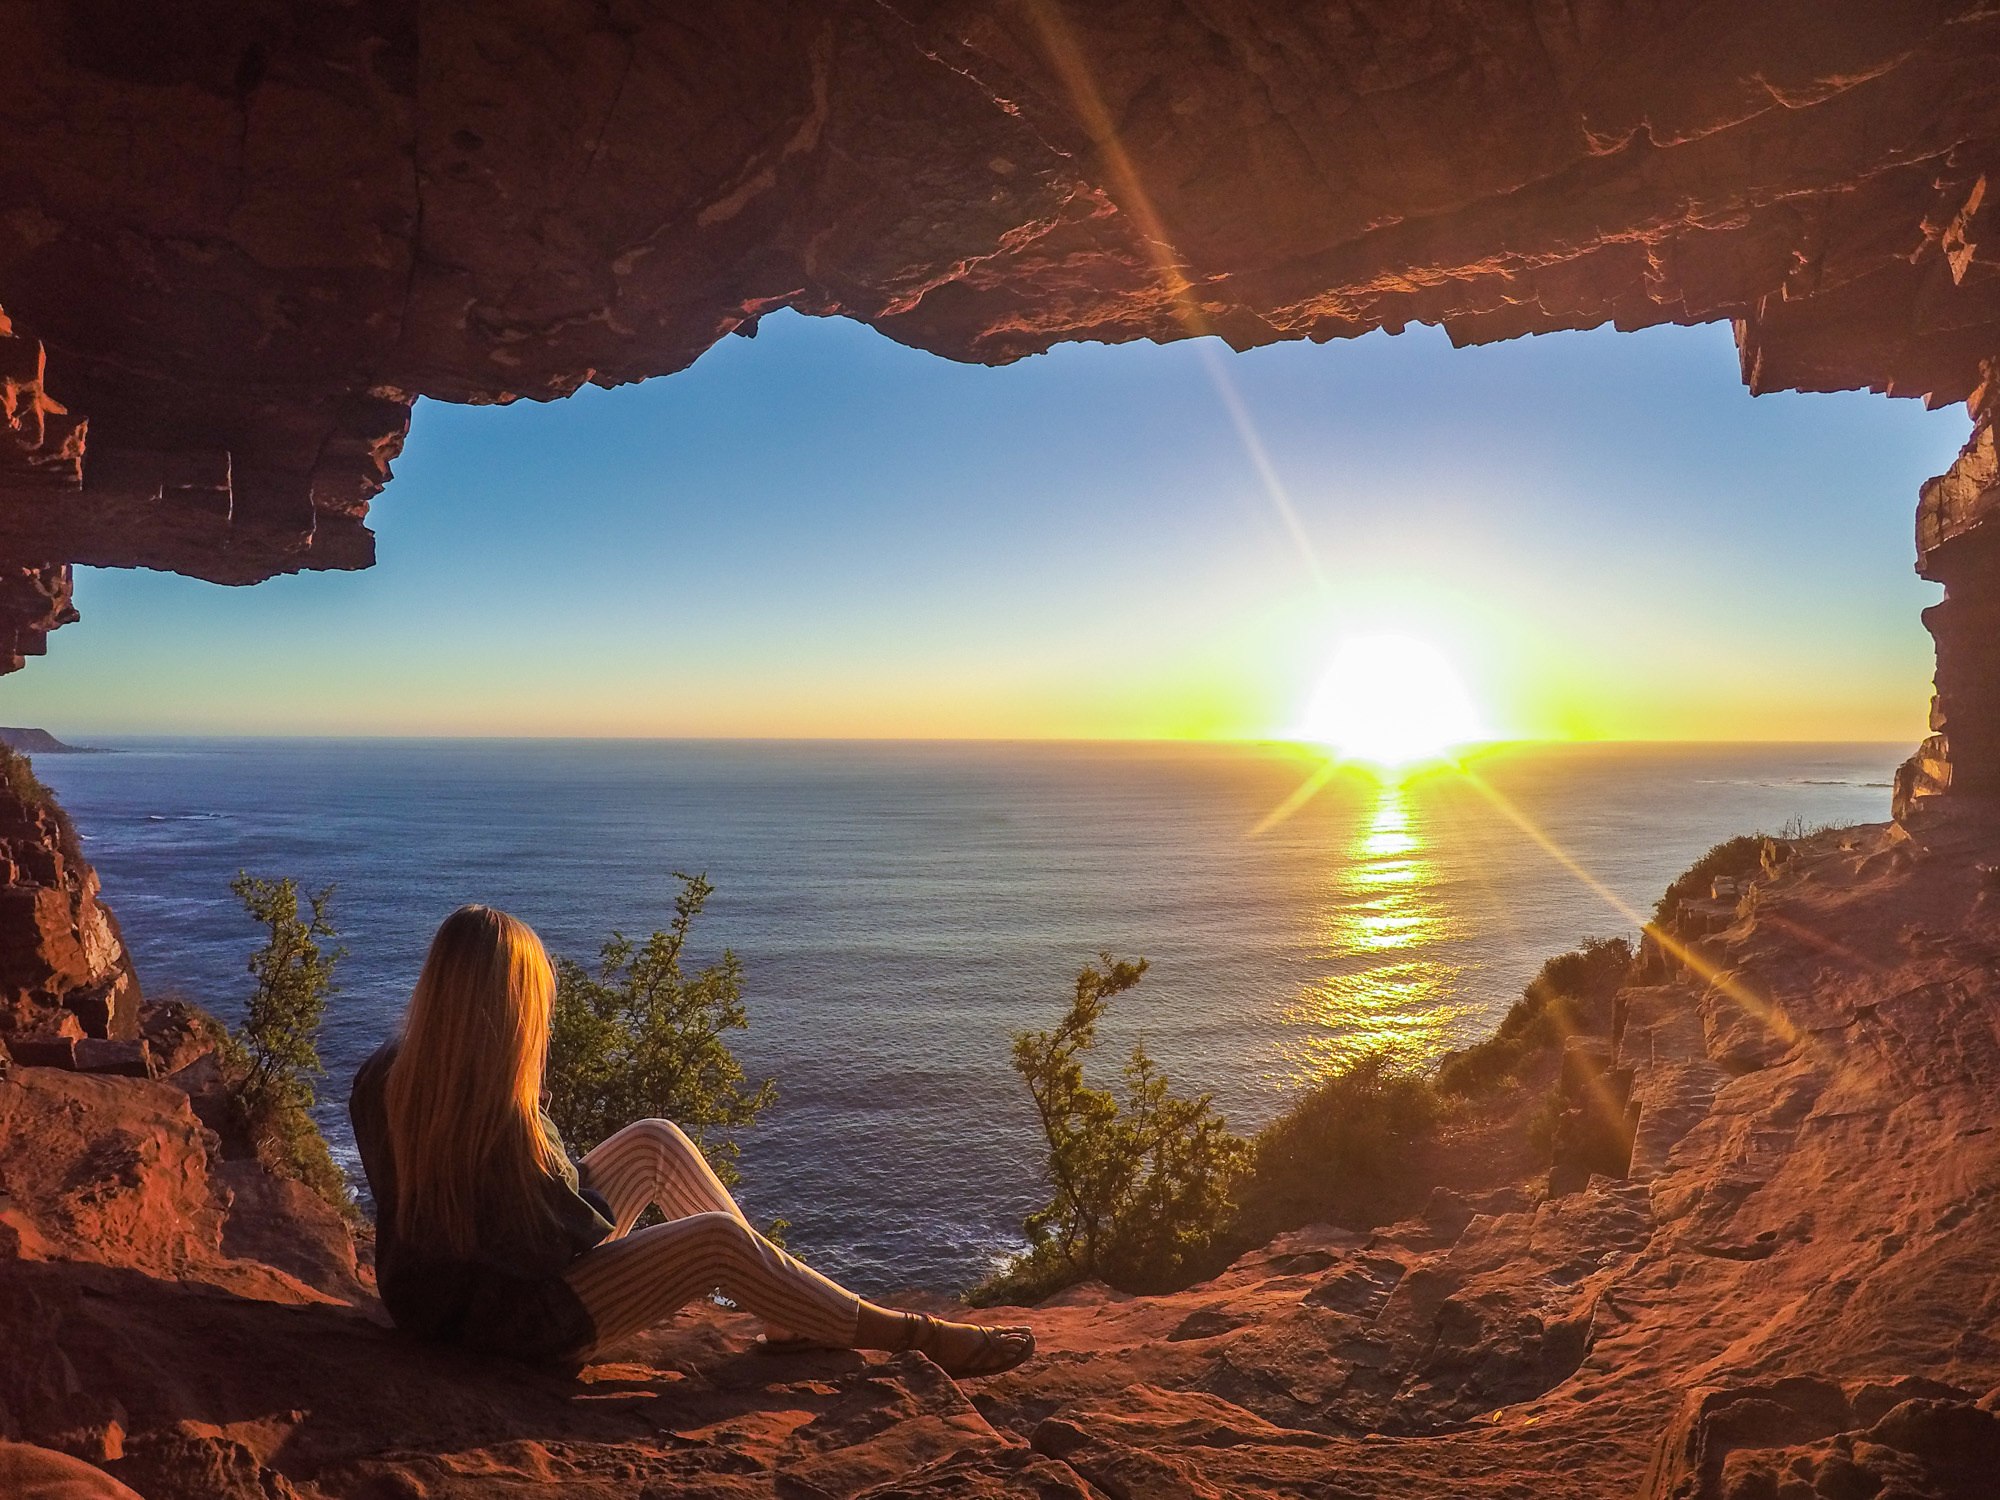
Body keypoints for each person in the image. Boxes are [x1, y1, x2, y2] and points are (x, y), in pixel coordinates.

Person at [348, 904, 1034, 1377]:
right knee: (717, 1243)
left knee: (654, 1140)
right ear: (514, 1007)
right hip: (517, 1325)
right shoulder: (502, 1119)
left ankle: (786, 1315)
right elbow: (562, 1243)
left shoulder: (386, 1076)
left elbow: (507, 1226)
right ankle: (911, 1334)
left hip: (434, 1304)